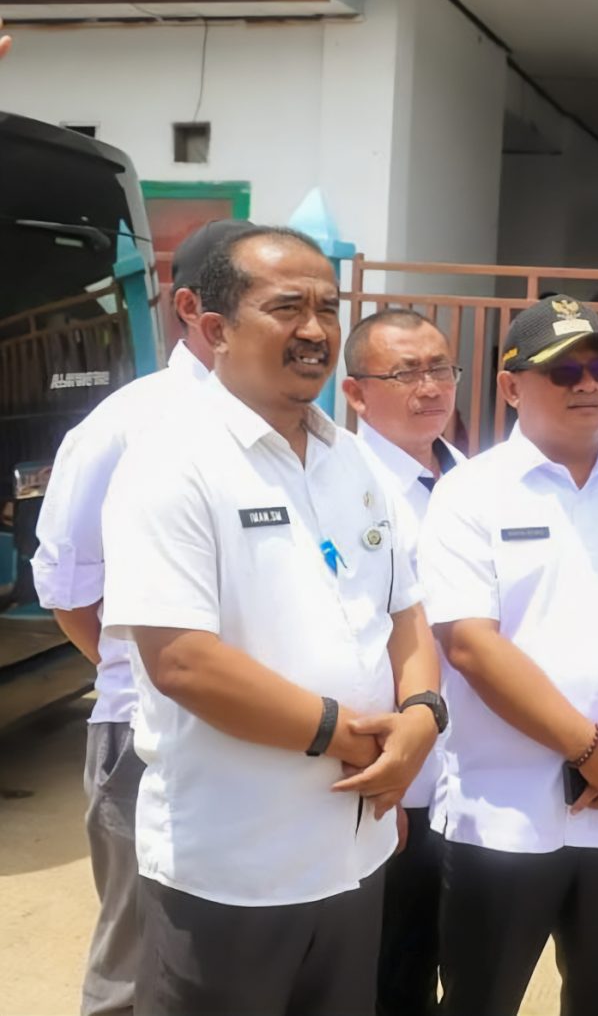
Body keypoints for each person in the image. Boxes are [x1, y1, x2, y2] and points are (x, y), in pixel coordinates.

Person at [100, 225, 442, 1016]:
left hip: (353, 849)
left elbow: (405, 614)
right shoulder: (172, 462)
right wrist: (346, 735)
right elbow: (184, 660)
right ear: (211, 325)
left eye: (327, 307)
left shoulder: (349, 459)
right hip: (233, 867)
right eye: (287, 307)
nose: (316, 330)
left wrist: (423, 715)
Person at [419, 295, 598, 1016]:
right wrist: (589, 747)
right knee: (479, 1000)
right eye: (562, 371)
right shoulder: (469, 493)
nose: (587, 384)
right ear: (512, 385)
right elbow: (469, 643)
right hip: (503, 812)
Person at [31, 218, 245, 1016]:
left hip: (265, 733)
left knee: (223, 945)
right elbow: (66, 584)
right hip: (144, 735)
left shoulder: (291, 426)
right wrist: (143, 673)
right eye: (272, 302)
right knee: (136, 951)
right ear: (196, 310)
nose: (301, 326)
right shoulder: (128, 425)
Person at [341, 309, 465, 1016]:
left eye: (439, 368)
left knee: (458, 960)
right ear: (357, 394)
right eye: (405, 372)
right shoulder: (344, 488)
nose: (429, 386)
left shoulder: (473, 477)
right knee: (392, 970)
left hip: (471, 774)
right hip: (398, 773)